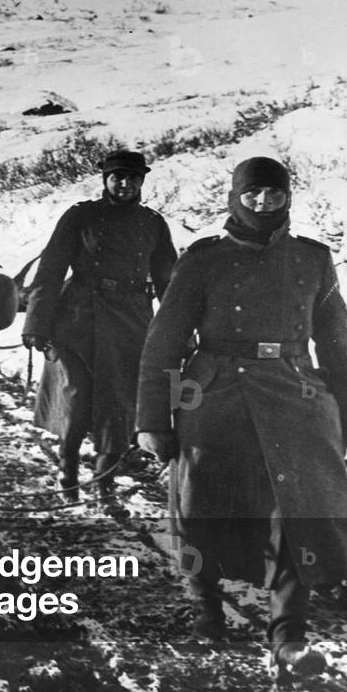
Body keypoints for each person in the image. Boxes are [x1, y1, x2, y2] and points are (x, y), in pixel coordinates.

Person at [136, 157, 347, 683]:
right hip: (216, 393)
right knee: (201, 504)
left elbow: (337, 343)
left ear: (287, 197)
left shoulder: (313, 260)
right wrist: (152, 420)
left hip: (293, 393)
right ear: (236, 195)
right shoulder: (203, 260)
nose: (263, 203)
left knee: (294, 510)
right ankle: (206, 605)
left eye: (274, 194)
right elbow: (162, 343)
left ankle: (288, 638)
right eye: (253, 193)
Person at [21, 150, 177, 503]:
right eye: (118, 177)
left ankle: (105, 477)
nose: (125, 184)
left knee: (118, 402)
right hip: (78, 319)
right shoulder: (82, 216)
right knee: (77, 394)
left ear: (141, 182)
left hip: (131, 321)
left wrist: (178, 330)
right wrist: (37, 321)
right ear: (105, 179)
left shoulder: (153, 223)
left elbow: (170, 281)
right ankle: (68, 467)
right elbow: (51, 269)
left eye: (133, 178)